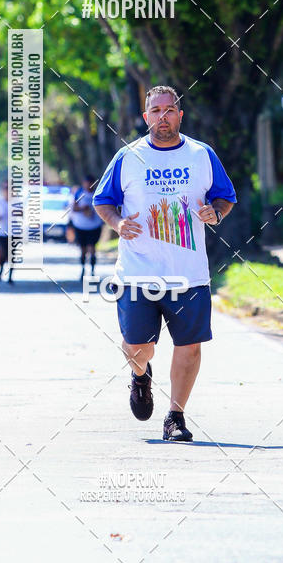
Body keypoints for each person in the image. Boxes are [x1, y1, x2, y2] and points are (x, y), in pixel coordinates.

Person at [93, 85, 236, 442]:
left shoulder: (201, 155)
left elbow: (225, 196)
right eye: (155, 111)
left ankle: (176, 416)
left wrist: (215, 213)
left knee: (189, 346)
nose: (163, 117)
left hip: (188, 273)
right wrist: (118, 224)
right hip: (138, 272)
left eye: (169, 110)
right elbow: (103, 201)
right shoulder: (129, 157)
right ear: (146, 118)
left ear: (180, 115)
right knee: (137, 346)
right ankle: (141, 376)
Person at [70, 175, 102, 280]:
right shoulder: (79, 194)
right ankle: (83, 269)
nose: (88, 185)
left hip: (94, 226)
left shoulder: (98, 193)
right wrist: (83, 209)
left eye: (90, 183)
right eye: (86, 183)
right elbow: (74, 208)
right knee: (83, 249)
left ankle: (92, 271)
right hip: (80, 226)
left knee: (92, 248)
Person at [0, 181, 13, 284]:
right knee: (2, 254)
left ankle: (10, 277)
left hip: (14, 232)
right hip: (1, 232)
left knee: (12, 255)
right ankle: (0, 273)